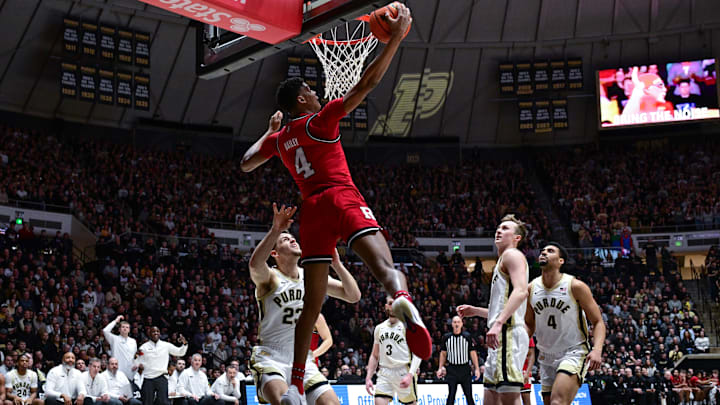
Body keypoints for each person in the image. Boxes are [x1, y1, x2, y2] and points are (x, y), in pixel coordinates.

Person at [240, 5, 430, 402]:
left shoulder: (281, 139)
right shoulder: (319, 119)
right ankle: (403, 302)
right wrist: (395, 38)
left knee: (312, 301)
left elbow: (246, 163)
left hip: (311, 212)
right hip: (341, 197)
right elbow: (367, 83)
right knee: (384, 267)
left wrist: (269, 130)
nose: (315, 90)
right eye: (309, 89)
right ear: (302, 101)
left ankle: (295, 380)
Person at [247, 204, 361, 405]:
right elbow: (255, 264)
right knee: (286, 402)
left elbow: (353, 295)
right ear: (275, 254)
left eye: (292, 237)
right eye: (285, 239)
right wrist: (276, 231)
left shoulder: (310, 276)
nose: (291, 238)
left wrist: (336, 263)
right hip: (271, 355)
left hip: (303, 358)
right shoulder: (270, 278)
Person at [456, 215, 530, 405]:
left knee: (508, 396)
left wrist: (497, 324)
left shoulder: (512, 255)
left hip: (508, 334)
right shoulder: (501, 262)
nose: (499, 230)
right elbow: (503, 308)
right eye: (498, 227)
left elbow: (521, 292)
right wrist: (477, 311)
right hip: (501, 335)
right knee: (490, 396)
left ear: (516, 238)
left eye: (505, 228)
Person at [525, 243, 606, 405]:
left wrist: (597, 349)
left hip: (573, 351)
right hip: (546, 355)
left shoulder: (575, 286)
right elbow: (529, 323)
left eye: (550, 251)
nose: (544, 253)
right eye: (542, 251)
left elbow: (598, 322)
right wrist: (518, 348)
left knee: (558, 402)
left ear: (561, 261)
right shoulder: (531, 288)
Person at [366, 297, 423, 405]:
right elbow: (374, 355)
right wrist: (368, 377)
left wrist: (410, 374)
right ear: (386, 306)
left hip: (403, 371)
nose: (393, 306)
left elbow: (418, 353)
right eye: (390, 303)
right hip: (385, 372)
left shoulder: (408, 326)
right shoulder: (379, 328)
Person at [135, 327, 188, 405]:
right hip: (148, 378)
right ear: (149, 334)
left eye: (157, 331)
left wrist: (185, 343)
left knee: (163, 402)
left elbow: (180, 352)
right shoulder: (144, 347)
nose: (156, 333)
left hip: (161, 377)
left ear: (160, 334)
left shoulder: (166, 345)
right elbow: (137, 360)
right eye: (153, 331)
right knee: (147, 402)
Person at [436, 315, 480, 405]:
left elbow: (473, 353)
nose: (456, 324)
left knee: (469, 396)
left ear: (462, 324)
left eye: (458, 322)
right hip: (452, 369)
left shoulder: (467, 337)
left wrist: (477, 369)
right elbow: (443, 353)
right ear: (452, 324)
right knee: (451, 396)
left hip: (465, 369)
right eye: (455, 322)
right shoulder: (446, 337)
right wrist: (440, 367)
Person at [521, 339, 535, 405]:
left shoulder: (527, 332)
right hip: (508, 369)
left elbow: (531, 354)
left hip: (523, 369)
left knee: (526, 400)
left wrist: (528, 372)